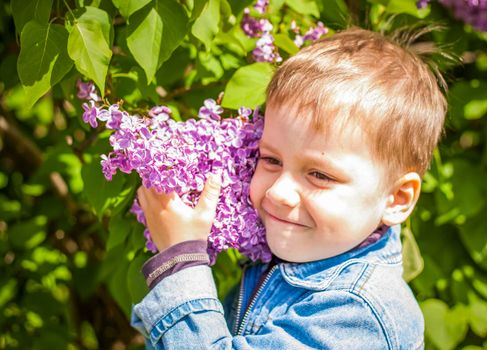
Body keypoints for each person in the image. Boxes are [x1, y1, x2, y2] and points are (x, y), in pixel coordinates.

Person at [131, 26, 448, 349]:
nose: (278, 193)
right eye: (270, 159)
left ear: (396, 199)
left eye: (320, 175)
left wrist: (180, 263)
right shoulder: (300, 258)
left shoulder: (359, 314)